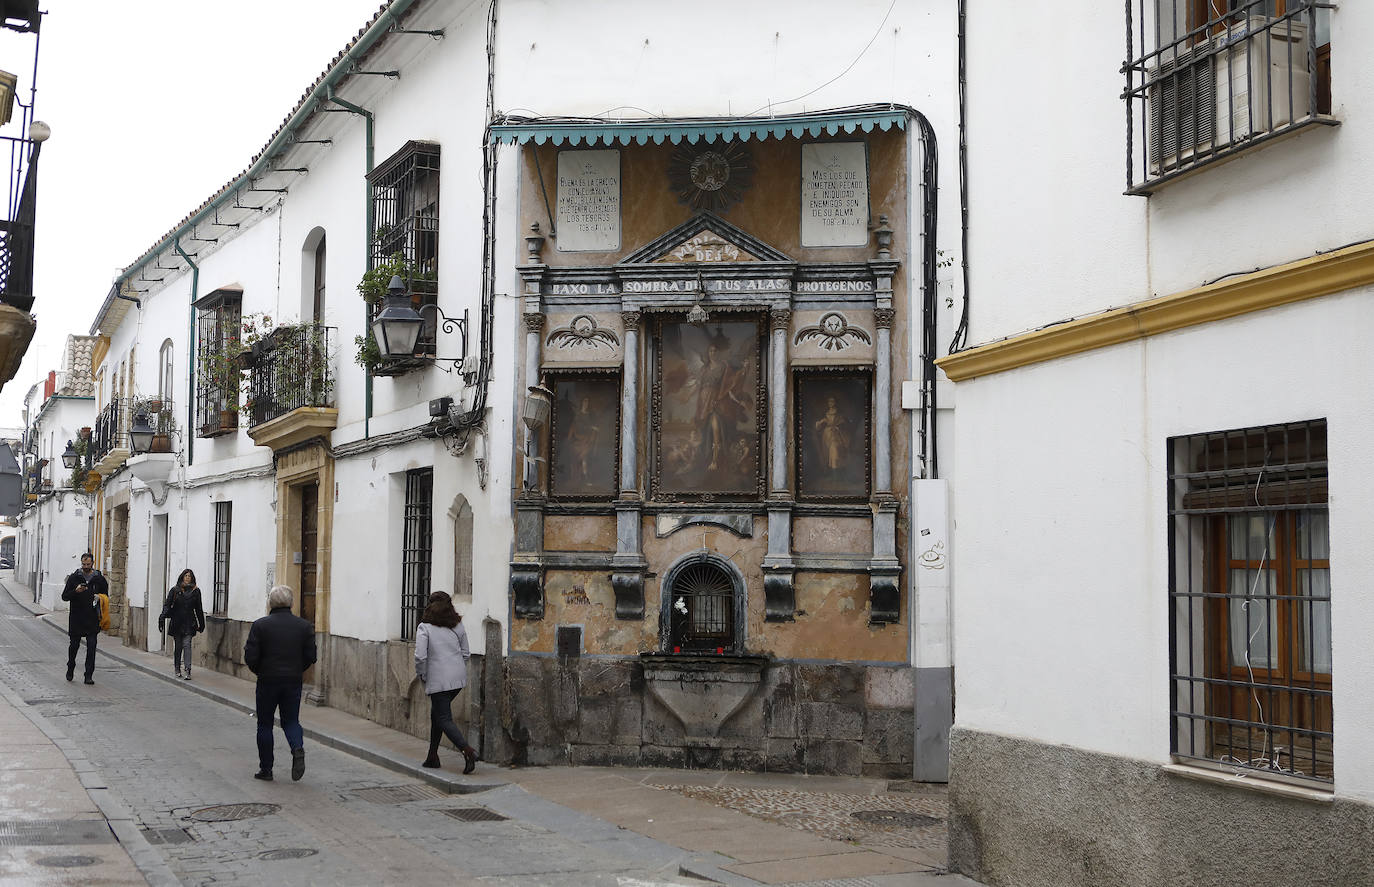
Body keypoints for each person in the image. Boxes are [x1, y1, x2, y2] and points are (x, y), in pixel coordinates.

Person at [243, 585, 316, 782]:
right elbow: (311, 656)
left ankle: (266, 769)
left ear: (270, 603)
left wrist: (259, 670)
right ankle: (297, 747)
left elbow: (250, 656)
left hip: (267, 680)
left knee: (265, 723)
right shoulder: (304, 626)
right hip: (292, 680)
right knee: (291, 721)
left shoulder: (260, 625)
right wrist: (297, 669)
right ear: (291, 603)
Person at [414, 591, 477, 774]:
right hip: (457, 679)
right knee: (437, 715)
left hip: (438, 679)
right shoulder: (457, 625)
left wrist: (422, 675)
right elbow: (466, 653)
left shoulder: (424, 628)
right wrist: (455, 667)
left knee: (443, 718)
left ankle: (467, 750)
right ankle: (432, 756)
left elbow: (420, 657)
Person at [61, 553, 107, 685]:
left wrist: (99, 597)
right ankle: (70, 667)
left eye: (88, 564)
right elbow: (64, 596)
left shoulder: (99, 579)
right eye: (83, 564)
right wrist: (75, 591)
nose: (86, 567)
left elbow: (106, 596)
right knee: (74, 645)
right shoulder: (74, 578)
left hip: (92, 618)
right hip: (76, 618)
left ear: (92, 563)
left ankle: (88, 675)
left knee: (92, 647)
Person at [159, 569, 206, 681]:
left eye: (189, 576)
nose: (187, 578)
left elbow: (199, 609)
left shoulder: (196, 591)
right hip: (177, 622)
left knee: (187, 645)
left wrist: (201, 624)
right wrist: (162, 618)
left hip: (189, 622)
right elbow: (167, 605)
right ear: (182, 577)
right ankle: (177, 668)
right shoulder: (175, 590)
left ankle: (188, 669)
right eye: (186, 575)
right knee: (178, 646)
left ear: (192, 578)